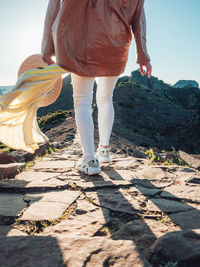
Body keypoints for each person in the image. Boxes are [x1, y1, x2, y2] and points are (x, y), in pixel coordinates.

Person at [41, 0, 152, 175]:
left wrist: (47, 48)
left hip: (77, 40)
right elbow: (139, 17)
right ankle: (104, 151)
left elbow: (53, 8)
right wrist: (142, 54)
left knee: (82, 101)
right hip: (115, 43)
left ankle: (90, 160)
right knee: (106, 98)